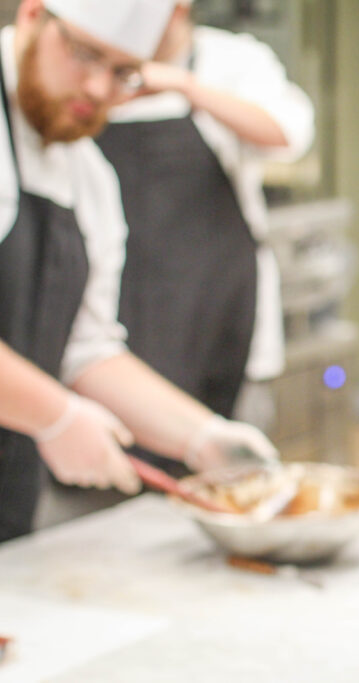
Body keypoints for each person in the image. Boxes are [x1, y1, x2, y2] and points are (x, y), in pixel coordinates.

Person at [0, 0, 278, 543]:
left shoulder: (86, 175)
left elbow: (86, 349)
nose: (99, 88)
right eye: (85, 54)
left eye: (123, 72)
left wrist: (202, 437)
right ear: (32, 15)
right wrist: (54, 414)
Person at [95, 1, 314, 428]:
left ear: (179, 8)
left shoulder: (234, 59)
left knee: (228, 452)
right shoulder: (101, 65)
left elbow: (286, 135)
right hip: (118, 314)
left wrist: (186, 88)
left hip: (219, 314)